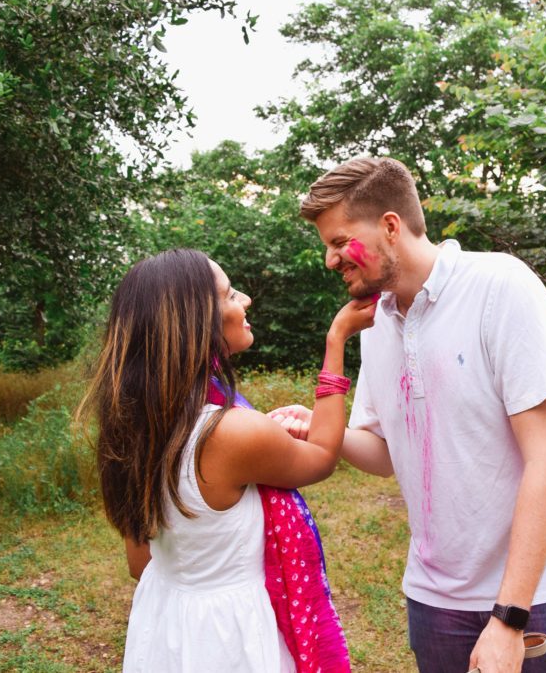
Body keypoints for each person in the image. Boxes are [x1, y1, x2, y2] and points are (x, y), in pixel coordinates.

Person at [274, 157, 546, 673]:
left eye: (340, 241)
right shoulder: (380, 322)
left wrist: (508, 617)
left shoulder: (500, 287)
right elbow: (385, 453)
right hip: (437, 603)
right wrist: (329, 432)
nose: (330, 259)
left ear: (390, 226)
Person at [77, 248, 376, 672]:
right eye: (231, 294)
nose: (246, 300)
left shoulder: (134, 424)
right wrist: (337, 340)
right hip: (229, 633)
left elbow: (138, 562)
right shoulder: (231, 431)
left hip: (165, 621)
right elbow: (323, 456)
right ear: (196, 322)